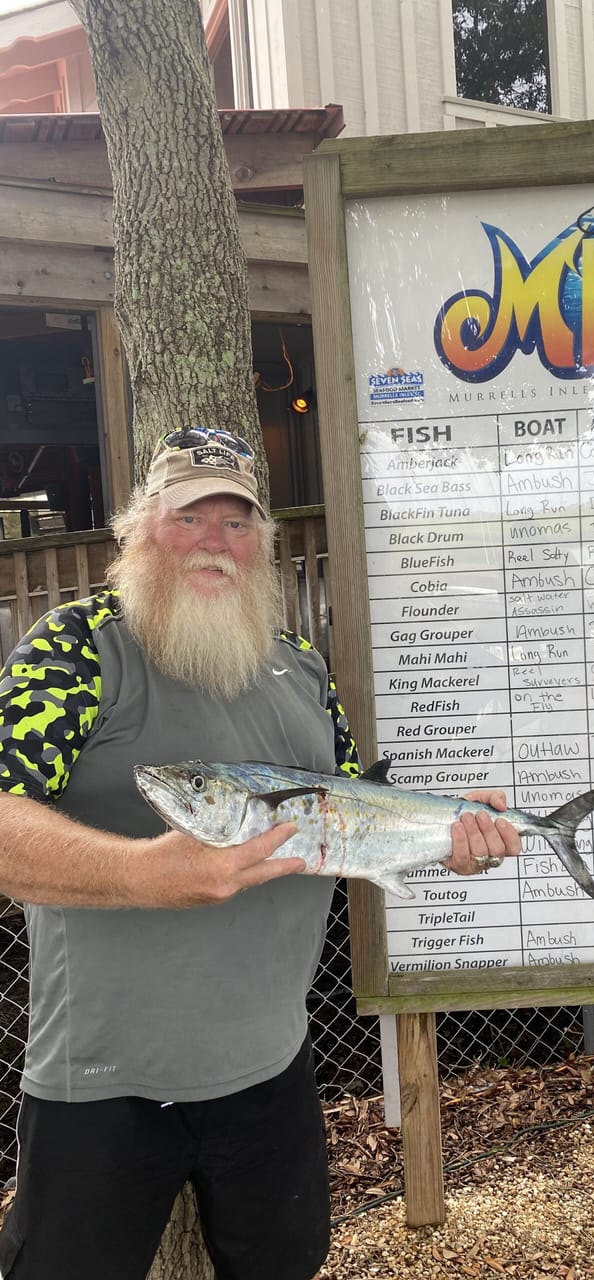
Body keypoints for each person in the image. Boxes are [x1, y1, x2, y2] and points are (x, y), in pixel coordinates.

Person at [0, 426, 520, 1280]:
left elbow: (351, 819)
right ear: (138, 531)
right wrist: (141, 874)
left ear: (263, 545)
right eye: (190, 517)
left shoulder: (301, 663)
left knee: (282, 1266)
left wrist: (451, 838)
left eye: (238, 522)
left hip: (271, 1065)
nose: (216, 540)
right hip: (102, 1081)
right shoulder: (77, 648)